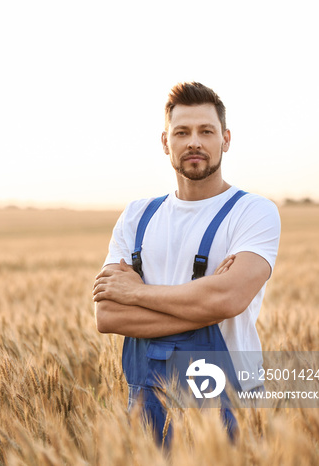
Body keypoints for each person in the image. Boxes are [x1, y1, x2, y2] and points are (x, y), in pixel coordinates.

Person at [92, 82, 281, 445]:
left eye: (206, 131)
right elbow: (108, 316)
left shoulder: (252, 211)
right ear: (165, 142)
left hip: (232, 400)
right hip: (149, 403)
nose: (194, 141)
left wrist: (136, 291)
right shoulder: (137, 216)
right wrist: (204, 303)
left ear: (225, 139)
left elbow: (227, 300)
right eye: (182, 132)